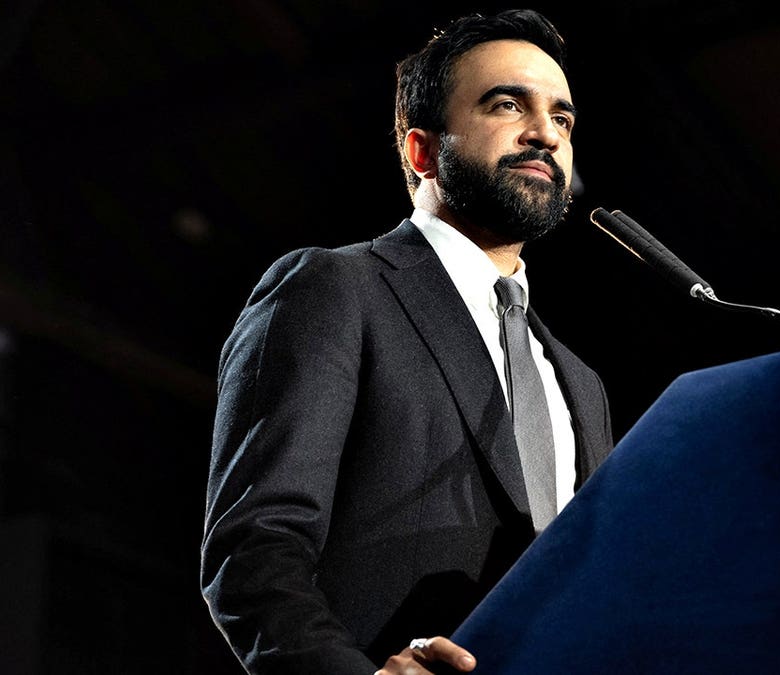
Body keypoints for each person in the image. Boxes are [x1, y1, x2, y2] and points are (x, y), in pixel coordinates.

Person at [199, 8, 613, 675]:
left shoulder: (579, 381)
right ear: (422, 150)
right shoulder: (335, 289)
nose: (544, 134)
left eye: (562, 119)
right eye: (508, 105)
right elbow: (254, 549)